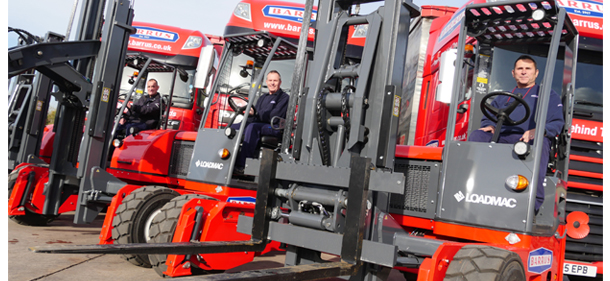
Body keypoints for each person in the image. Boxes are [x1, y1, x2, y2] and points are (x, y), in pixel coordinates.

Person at [468, 55, 564, 212]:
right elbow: (489, 118)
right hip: (502, 136)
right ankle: (473, 188)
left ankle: (532, 203)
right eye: (520, 69)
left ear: (536, 73)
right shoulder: (503, 96)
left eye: (528, 69)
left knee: (542, 143)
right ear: (513, 73)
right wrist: (488, 126)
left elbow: (557, 123)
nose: (524, 72)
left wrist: (538, 131)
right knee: (477, 136)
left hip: (528, 140)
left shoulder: (547, 95)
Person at [233, 70, 290, 175]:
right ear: (266, 82)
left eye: (275, 81)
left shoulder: (284, 98)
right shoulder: (262, 98)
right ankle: (227, 160)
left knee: (252, 128)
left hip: (273, 127)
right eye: (270, 80)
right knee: (232, 127)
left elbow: (274, 116)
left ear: (280, 82)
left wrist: (256, 113)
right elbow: (256, 115)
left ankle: (242, 165)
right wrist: (249, 114)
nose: (272, 83)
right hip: (260, 124)